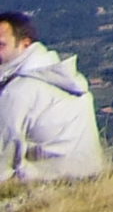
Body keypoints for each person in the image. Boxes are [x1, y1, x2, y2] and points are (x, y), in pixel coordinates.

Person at [0, 11, 105, 181]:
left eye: (1, 45)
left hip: (47, 183)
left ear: (25, 44)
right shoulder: (66, 79)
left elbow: (3, 158)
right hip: (92, 179)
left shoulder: (19, 91)